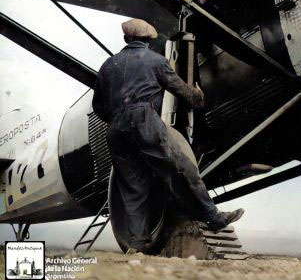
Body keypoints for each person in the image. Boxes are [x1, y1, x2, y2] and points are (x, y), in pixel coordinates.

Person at [92, 18, 243, 253]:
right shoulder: (155, 60)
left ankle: (137, 245)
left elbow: (98, 106)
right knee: (183, 168)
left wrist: (117, 119)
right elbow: (185, 94)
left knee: (133, 186)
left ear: (126, 39)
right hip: (144, 120)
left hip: (115, 130)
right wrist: (198, 96)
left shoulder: (108, 66)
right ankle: (213, 217)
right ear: (148, 41)